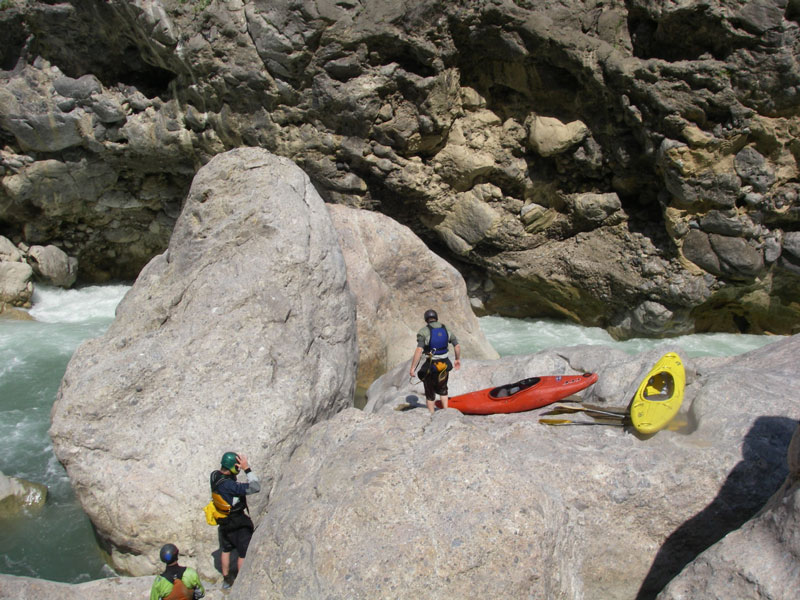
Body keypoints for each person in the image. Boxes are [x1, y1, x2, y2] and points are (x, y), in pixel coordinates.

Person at [210, 451, 261, 588]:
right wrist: (246, 468)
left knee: (226, 549)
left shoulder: (214, 476)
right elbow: (255, 487)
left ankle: (226, 580)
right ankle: (242, 583)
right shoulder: (231, 486)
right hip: (237, 523)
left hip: (223, 521)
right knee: (243, 553)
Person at [408, 309, 462, 414]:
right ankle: (445, 412)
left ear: (426, 319)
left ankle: (432, 415)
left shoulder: (424, 331)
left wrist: (413, 368)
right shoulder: (446, 329)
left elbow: (419, 350)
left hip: (431, 366)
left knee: (430, 393)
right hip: (445, 364)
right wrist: (457, 359)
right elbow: (457, 346)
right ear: (436, 318)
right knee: (443, 389)